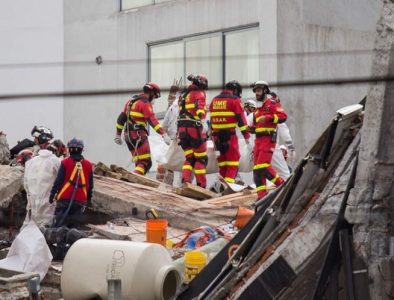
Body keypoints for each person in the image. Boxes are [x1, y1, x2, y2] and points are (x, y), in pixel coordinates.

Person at [114, 82, 171, 175]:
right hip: (138, 136)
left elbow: (121, 118)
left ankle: (134, 179)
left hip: (128, 137)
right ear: (151, 93)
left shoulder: (130, 102)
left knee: (139, 162)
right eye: (155, 97)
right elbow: (152, 120)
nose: (154, 100)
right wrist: (163, 134)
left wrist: (118, 134)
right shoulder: (144, 103)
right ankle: (133, 180)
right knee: (146, 162)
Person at [250, 81, 287, 200]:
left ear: (265, 90)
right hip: (258, 141)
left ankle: (282, 185)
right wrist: (251, 129)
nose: (256, 93)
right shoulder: (257, 109)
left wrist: (268, 118)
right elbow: (256, 127)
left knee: (263, 166)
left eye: (259, 90)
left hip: (268, 139)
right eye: (255, 91)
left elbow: (283, 117)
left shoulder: (272, 103)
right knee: (256, 169)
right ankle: (261, 196)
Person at [209, 80, 251, 184]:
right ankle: (229, 186)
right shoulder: (235, 100)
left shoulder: (214, 100)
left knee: (222, 164)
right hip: (229, 137)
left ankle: (224, 186)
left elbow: (211, 120)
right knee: (233, 162)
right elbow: (241, 121)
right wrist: (247, 139)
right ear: (235, 90)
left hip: (216, 138)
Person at [49, 138, 93, 228]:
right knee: (74, 229)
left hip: (64, 200)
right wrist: (88, 200)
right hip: (80, 201)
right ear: (82, 150)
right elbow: (90, 185)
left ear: (69, 149)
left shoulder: (65, 162)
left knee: (59, 228)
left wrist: (52, 194)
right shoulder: (88, 164)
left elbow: (58, 181)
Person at [177, 74, 209, 188]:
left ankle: (186, 181)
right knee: (201, 158)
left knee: (189, 158)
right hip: (194, 128)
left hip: (181, 129)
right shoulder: (199, 93)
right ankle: (201, 186)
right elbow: (200, 108)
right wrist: (204, 122)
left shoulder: (184, 95)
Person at [22, 142, 61, 230]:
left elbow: (26, 184)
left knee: (29, 229)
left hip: (33, 203)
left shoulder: (30, 163)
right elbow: (61, 179)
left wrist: (29, 199)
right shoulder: (56, 161)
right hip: (48, 203)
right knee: (46, 229)